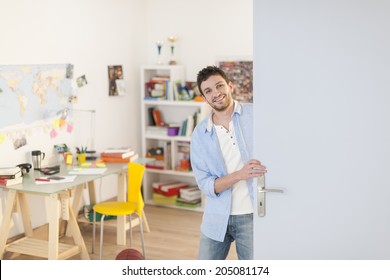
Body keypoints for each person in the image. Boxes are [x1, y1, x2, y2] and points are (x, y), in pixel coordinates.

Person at [190, 66, 267, 260]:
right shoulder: (200, 134)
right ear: (204, 98)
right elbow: (205, 185)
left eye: (219, 86)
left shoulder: (256, 115)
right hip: (215, 217)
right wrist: (239, 175)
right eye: (208, 91)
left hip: (251, 215)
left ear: (230, 86)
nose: (216, 93)